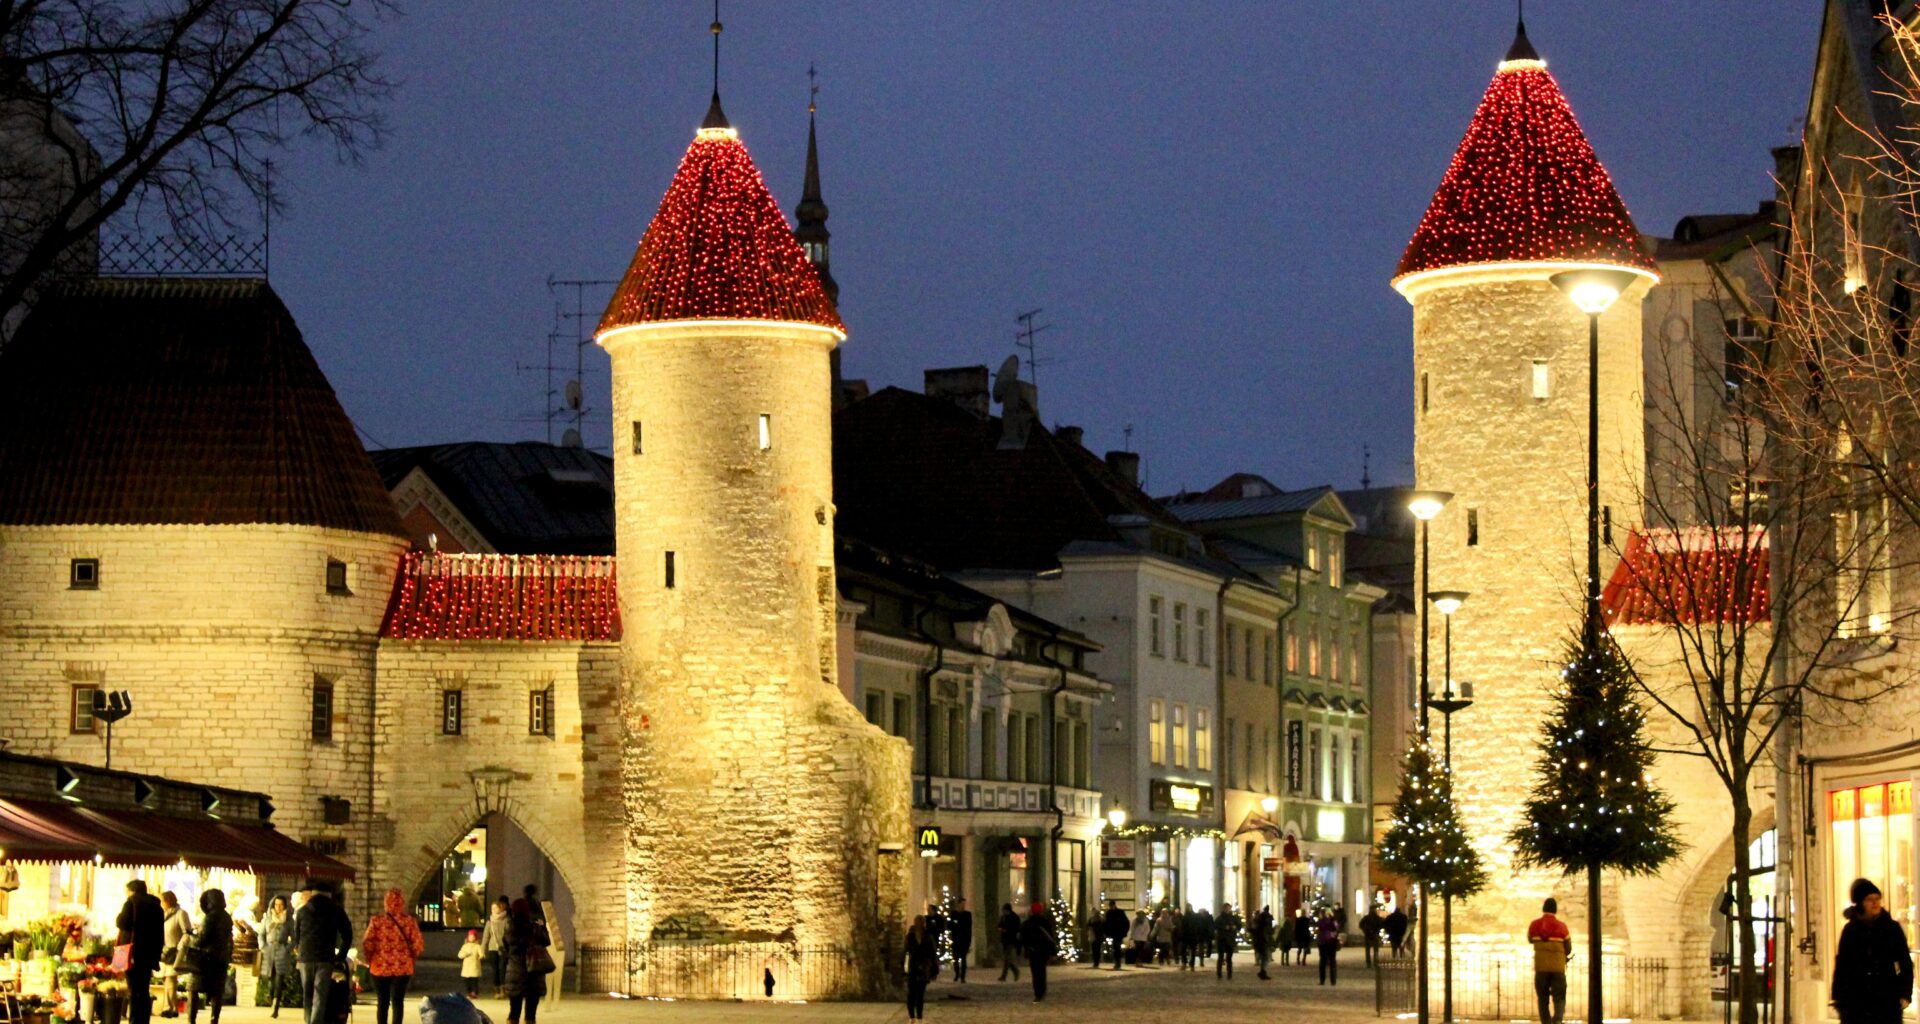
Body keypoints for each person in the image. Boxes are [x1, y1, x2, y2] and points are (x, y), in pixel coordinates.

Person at [1834, 878, 1913, 1024]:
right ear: (1860, 903)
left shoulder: (1891, 928)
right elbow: (1842, 966)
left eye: (1877, 898)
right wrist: (1840, 1000)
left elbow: (1905, 962)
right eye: (1870, 899)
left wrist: (1905, 994)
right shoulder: (1851, 931)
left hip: (1886, 1001)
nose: (1875, 903)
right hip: (1857, 1003)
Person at [362, 888, 425, 1024]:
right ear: (402, 903)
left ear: (386, 903)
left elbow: (368, 942)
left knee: (382, 1001)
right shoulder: (410, 922)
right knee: (397, 1000)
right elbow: (418, 944)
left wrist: (370, 958)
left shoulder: (377, 921)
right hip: (403, 967)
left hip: (379, 967)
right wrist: (410, 956)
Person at [292, 882, 352, 1024]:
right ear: (329, 894)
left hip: (305, 957)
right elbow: (348, 935)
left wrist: (299, 950)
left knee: (307, 993)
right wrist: (341, 955)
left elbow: (297, 936)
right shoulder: (336, 910)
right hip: (325, 958)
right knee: (320, 994)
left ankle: (308, 1020)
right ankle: (315, 1022)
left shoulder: (302, 911)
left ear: (313, 893)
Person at [117, 879, 165, 1024]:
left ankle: (135, 1020)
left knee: (134, 989)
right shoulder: (157, 906)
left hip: (133, 952)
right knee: (143, 989)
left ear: (132, 890)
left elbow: (121, 922)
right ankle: (144, 1020)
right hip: (150, 953)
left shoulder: (131, 902)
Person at [184, 890, 232, 1024]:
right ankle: (214, 1019)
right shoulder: (226, 917)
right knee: (217, 992)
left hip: (204, 960)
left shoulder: (210, 917)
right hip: (221, 959)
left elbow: (201, 940)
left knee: (193, 990)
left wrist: (192, 936)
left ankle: (191, 1020)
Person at [504, 897, 552, 1024]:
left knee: (514, 1010)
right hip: (533, 971)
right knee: (531, 1012)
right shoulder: (534, 926)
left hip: (516, 971)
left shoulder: (510, 927)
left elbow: (505, 946)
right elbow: (546, 941)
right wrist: (542, 927)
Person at [1529, 897, 1572, 1024]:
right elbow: (1568, 948)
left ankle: (1546, 1022)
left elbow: (1530, 939)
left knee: (1542, 998)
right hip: (1558, 968)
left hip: (1541, 967)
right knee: (1559, 997)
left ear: (1544, 909)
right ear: (1555, 910)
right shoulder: (1562, 927)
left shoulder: (1534, 925)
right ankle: (1557, 1021)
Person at [261, 895, 298, 1018]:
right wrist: (263, 946)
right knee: (271, 980)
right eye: (276, 905)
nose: (278, 907)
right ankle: (273, 999)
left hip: (282, 951)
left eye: (281, 905)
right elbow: (261, 934)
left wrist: (287, 949)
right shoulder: (268, 918)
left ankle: (276, 1006)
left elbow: (294, 938)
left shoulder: (288, 920)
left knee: (279, 979)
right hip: (269, 950)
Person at [158, 890, 192, 1018]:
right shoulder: (163, 914)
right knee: (166, 979)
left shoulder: (180, 914)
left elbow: (187, 932)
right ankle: (172, 1007)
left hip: (174, 951)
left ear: (168, 900)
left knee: (171, 979)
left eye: (162, 901)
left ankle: (170, 1007)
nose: (161, 903)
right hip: (164, 951)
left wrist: (180, 947)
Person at [1020, 901, 1055, 1003]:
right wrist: (1053, 952)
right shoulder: (1045, 922)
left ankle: (1037, 993)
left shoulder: (1027, 923)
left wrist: (1024, 949)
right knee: (1042, 971)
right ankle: (1042, 991)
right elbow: (1051, 938)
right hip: (1043, 951)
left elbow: (1024, 938)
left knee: (1035, 973)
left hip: (1033, 950)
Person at [904, 915, 936, 1020]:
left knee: (920, 995)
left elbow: (932, 954)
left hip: (924, 968)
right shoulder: (910, 936)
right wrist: (905, 969)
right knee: (911, 994)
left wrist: (933, 970)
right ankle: (912, 1017)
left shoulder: (928, 936)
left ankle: (919, 1018)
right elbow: (906, 953)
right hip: (912, 967)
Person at [482, 896, 511, 998]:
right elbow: (486, 937)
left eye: (496, 908)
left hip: (503, 948)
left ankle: (503, 989)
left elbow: (509, 934)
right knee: (495, 970)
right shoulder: (490, 922)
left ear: (501, 908)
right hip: (492, 948)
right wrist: (482, 950)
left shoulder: (506, 921)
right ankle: (496, 989)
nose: (493, 910)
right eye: (492, 908)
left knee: (502, 968)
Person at [949, 897, 974, 982]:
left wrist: (969, 940)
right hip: (956, 939)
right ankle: (957, 974)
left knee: (963, 959)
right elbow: (950, 926)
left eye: (964, 904)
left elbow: (969, 928)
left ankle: (963, 977)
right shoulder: (954, 914)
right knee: (955, 958)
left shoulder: (967, 914)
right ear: (958, 904)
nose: (963, 906)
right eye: (962, 904)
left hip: (964, 939)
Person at [996, 903, 1022, 981]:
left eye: (1004, 910)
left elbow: (1016, 929)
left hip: (1011, 940)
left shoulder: (1014, 917)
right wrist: (1000, 928)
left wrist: (1005, 930)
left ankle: (1004, 976)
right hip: (1004, 940)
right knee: (1007, 959)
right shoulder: (1003, 917)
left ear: (1007, 910)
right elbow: (999, 925)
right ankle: (1015, 971)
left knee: (1007, 959)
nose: (1003, 912)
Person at [1101, 900, 1129, 970]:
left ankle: (1118, 963)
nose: (1111, 907)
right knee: (1115, 948)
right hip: (1113, 933)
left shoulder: (1119, 912)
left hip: (1118, 933)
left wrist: (1124, 932)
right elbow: (1106, 923)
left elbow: (1126, 922)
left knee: (1117, 947)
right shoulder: (1109, 913)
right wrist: (1106, 932)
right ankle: (1117, 962)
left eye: (1111, 906)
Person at [1316, 908, 1341, 986]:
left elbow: (1319, 930)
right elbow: (1337, 929)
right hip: (1331, 942)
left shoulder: (1321, 921)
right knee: (1332, 962)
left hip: (1323, 943)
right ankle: (1333, 981)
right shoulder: (1332, 921)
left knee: (1323, 962)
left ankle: (1322, 980)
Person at [458, 929, 485, 999]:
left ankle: (474, 992)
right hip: (466, 967)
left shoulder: (477, 946)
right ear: (468, 937)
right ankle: (469, 992)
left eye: (473, 937)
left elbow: (482, 954)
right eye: (470, 936)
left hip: (474, 966)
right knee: (467, 981)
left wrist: (481, 957)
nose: (472, 938)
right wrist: (465, 954)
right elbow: (460, 955)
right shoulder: (465, 946)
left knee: (474, 981)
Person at [1215, 905, 1240, 979]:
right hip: (1222, 940)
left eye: (1229, 908)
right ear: (1224, 909)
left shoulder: (1233, 917)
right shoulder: (1220, 918)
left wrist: (1235, 927)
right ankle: (1219, 974)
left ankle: (1229, 974)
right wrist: (1224, 927)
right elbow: (1216, 925)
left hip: (1230, 939)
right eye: (1226, 908)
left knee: (1229, 958)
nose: (1228, 910)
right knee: (1220, 957)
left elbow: (1239, 925)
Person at [1251, 906, 1274, 979]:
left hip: (1260, 941)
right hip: (1263, 941)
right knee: (1266, 957)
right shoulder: (1265, 922)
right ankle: (1262, 972)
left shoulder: (1259, 922)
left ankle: (1262, 971)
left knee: (1264, 957)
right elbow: (1270, 930)